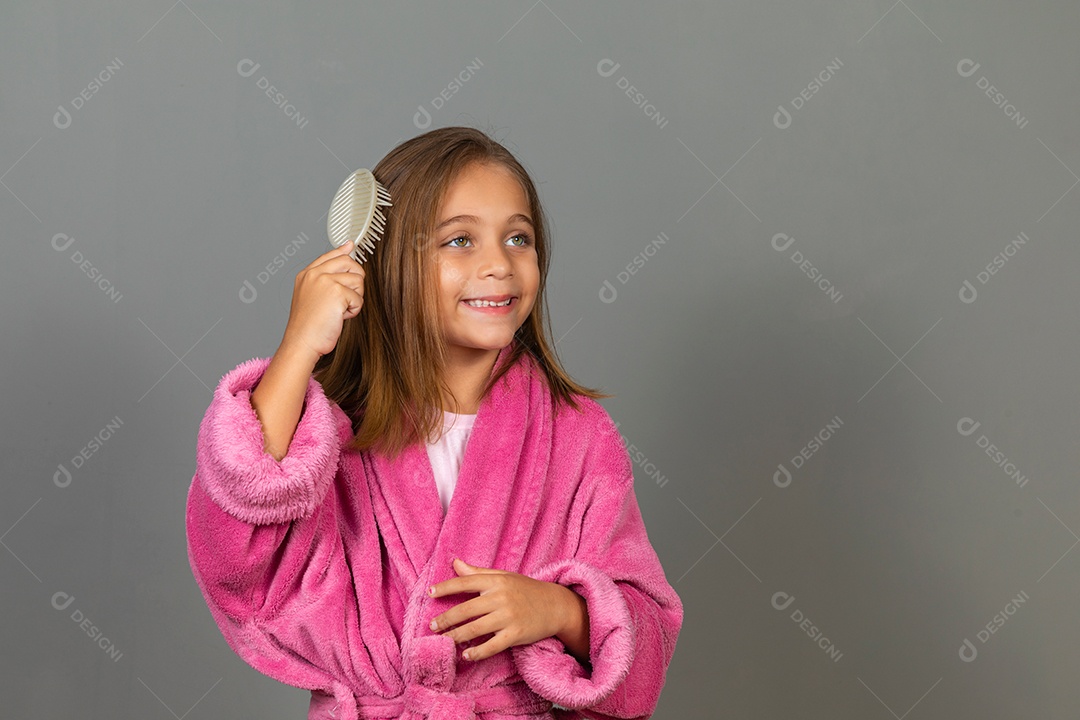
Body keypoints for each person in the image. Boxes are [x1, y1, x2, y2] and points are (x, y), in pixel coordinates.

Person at [185, 126, 683, 719]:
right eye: (460, 241)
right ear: (389, 260)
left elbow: (647, 635)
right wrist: (298, 348)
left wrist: (560, 611)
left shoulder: (576, 436)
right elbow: (237, 558)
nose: (499, 264)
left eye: (518, 238)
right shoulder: (332, 436)